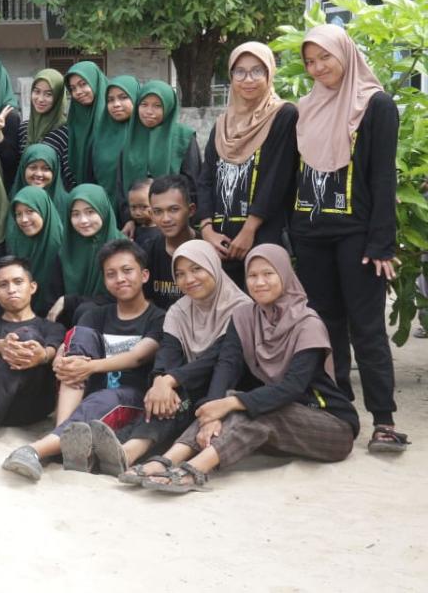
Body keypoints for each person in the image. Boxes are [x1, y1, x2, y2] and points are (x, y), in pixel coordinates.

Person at [139, 245, 359, 493]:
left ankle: (197, 468)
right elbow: (227, 365)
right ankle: (170, 459)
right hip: (284, 428)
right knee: (233, 401)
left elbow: (292, 388)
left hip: (331, 428)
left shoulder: (307, 323)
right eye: (252, 276)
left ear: (285, 275)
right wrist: (214, 412)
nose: (259, 282)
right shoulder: (244, 316)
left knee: (252, 406)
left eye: (268, 274)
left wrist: (229, 405)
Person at [289, 24, 406, 452]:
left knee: (367, 326)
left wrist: (382, 243)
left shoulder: (376, 105)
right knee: (324, 325)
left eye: (326, 58)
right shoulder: (305, 107)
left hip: (357, 236)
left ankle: (384, 419)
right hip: (310, 232)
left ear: (346, 55)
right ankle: (338, 410)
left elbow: (381, 177)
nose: (318, 68)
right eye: (310, 61)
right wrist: (293, 233)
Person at [2, 239, 164, 481]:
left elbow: (138, 357)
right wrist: (59, 357)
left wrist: (88, 367)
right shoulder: (95, 314)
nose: (119, 278)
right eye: (111, 274)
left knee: (101, 397)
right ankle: (63, 434)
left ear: (144, 275)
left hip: (130, 396)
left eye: (127, 271)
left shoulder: (158, 317)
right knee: (82, 334)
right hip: (87, 388)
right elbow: (71, 343)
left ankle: (36, 450)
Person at [111, 240, 248, 484]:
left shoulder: (242, 308)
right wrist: (159, 381)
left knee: (180, 393)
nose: (189, 279)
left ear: (214, 266)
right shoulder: (179, 310)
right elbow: (168, 352)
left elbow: (218, 358)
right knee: (172, 396)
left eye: (197, 269)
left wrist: (170, 380)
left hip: (232, 385)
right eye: (180, 274)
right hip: (190, 384)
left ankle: (127, 448)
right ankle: (128, 449)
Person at [197, 42, 298, 285]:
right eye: (239, 72)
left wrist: (249, 230)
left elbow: (277, 179)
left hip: (262, 235)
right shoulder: (223, 124)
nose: (248, 79)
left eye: (257, 71)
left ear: (270, 73)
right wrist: (207, 229)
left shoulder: (283, 115)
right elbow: (206, 178)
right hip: (220, 239)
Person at [0, 256, 65, 439]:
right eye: (3, 285)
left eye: (18, 282)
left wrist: (43, 355)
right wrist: (3, 346)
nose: (11, 289)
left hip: (31, 406)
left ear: (33, 287)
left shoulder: (52, 327)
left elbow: (54, 347)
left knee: (26, 335)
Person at [118, 81, 199, 221]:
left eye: (157, 106)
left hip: (174, 220)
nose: (149, 111)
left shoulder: (183, 137)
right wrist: (129, 220)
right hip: (137, 222)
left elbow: (192, 183)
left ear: (168, 107)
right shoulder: (130, 137)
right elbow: (121, 184)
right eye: (144, 105)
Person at [58, 184, 123, 307]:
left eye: (90, 212)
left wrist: (68, 301)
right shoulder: (66, 249)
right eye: (76, 214)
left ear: (103, 210)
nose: (83, 220)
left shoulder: (123, 248)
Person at [138, 174, 197, 310]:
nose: (165, 219)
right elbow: (145, 301)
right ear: (151, 214)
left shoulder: (207, 248)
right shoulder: (147, 251)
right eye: (158, 211)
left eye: (174, 209)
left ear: (191, 210)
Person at [6, 186, 66, 317]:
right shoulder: (15, 244)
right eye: (18, 214)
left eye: (30, 211)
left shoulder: (63, 248)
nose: (24, 219)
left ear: (44, 211)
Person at [16, 69, 73, 190]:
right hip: (27, 199)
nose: (40, 99)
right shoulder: (24, 128)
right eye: (36, 92)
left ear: (58, 97)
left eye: (48, 94)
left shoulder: (66, 132)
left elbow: (70, 178)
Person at [91, 75, 138, 210]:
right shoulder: (100, 138)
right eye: (110, 100)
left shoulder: (146, 135)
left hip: (141, 216)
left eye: (123, 97)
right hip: (106, 210)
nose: (116, 104)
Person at [64, 61, 107, 186]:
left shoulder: (114, 117)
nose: (78, 92)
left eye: (83, 84)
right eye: (73, 88)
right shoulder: (74, 121)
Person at [9, 142, 70, 220]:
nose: (39, 174)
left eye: (46, 169)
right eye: (33, 167)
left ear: (55, 171)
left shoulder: (68, 204)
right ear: (23, 169)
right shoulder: (12, 200)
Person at [126, 176, 158, 244]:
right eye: (133, 207)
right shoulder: (132, 230)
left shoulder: (162, 233)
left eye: (144, 207)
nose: (137, 213)